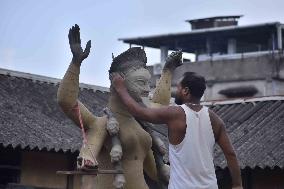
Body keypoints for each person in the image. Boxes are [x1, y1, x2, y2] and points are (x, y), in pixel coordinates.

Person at [57, 24, 182, 189]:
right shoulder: (101, 125)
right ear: (118, 81)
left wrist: (168, 70)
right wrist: (76, 63)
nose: (146, 89)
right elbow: (67, 102)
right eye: (140, 83)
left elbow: (156, 172)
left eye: (147, 84)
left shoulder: (141, 128)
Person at [112, 71, 243, 189]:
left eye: (178, 87)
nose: (176, 90)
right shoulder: (215, 120)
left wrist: (121, 89)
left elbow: (140, 112)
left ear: (185, 91)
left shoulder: (175, 114)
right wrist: (237, 185)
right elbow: (230, 154)